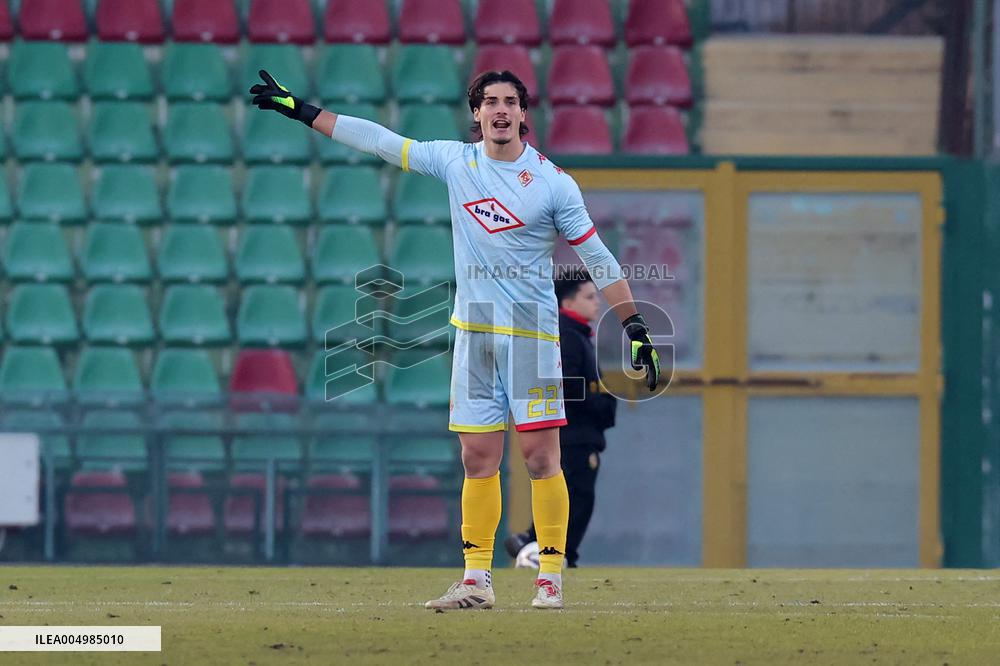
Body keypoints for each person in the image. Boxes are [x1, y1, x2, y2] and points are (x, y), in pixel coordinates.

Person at [250, 69, 660, 610]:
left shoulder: (553, 183)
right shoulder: (456, 161)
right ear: (476, 112)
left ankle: (551, 578)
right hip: (474, 336)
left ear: (522, 113)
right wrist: (303, 111)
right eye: (489, 101)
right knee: (475, 458)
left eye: (509, 102)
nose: (499, 110)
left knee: (541, 458)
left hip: (532, 338)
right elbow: (380, 140)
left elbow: (597, 257)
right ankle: (476, 579)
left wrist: (633, 325)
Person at [505, 269, 616, 570]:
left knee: (577, 496)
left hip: (580, 432)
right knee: (576, 496)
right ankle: (540, 548)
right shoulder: (567, 334)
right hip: (574, 434)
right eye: (590, 297)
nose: (597, 303)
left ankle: (539, 546)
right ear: (567, 301)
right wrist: (599, 402)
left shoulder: (577, 334)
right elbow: (565, 384)